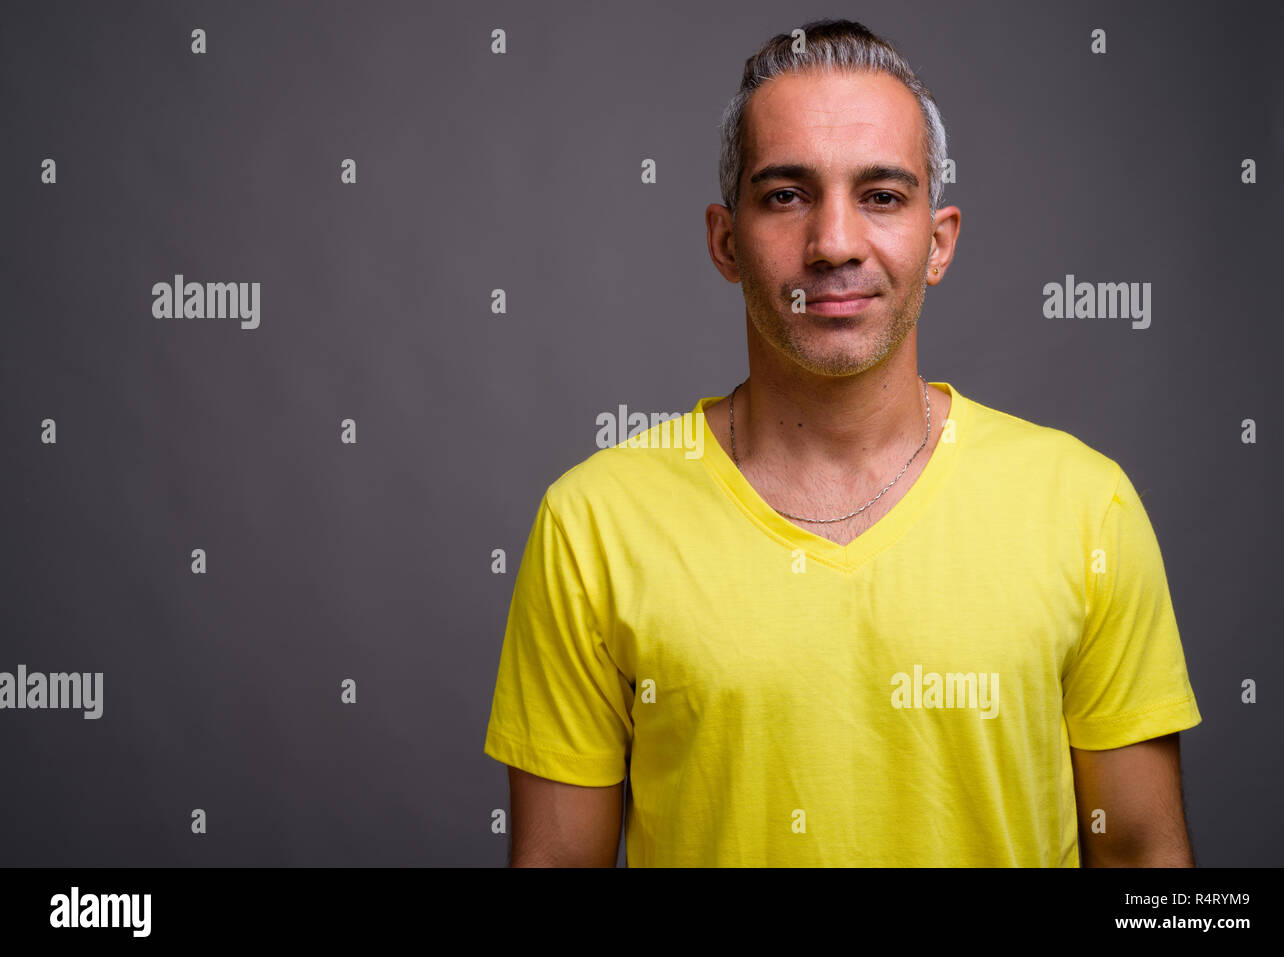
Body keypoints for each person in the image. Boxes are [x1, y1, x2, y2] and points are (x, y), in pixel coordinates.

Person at [483, 18, 1201, 867]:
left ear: (938, 243)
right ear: (725, 240)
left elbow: (1145, 866)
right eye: (786, 194)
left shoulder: (1086, 508)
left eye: (883, 196)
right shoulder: (593, 525)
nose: (833, 244)